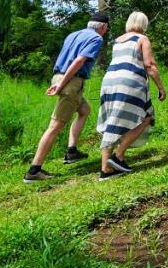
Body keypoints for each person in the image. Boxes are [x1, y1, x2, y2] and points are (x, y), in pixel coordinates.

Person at [25, 11, 110, 181]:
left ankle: (72, 151)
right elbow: (78, 61)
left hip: (59, 76)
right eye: (106, 29)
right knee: (55, 127)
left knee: (84, 110)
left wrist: (59, 81)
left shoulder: (73, 35)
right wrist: (63, 84)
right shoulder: (96, 38)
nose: (105, 32)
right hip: (70, 82)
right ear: (102, 27)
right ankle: (34, 171)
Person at [95, 11, 166, 180]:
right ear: (144, 24)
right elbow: (149, 65)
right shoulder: (142, 39)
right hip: (129, 81)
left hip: (109, 82)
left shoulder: (117, 40)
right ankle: (118, 156)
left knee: (111, 122)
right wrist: (161, 88)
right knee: (146, 117)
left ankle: (105, 170)